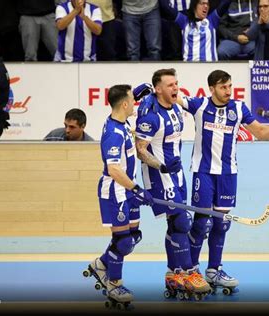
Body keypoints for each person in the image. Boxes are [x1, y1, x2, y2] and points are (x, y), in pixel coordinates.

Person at [176, 69, 269, 292]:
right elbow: (171, 96)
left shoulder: (239, 108)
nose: (228, 91)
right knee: (201, 223)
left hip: (228, 174)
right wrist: (153, 87)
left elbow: (260, 132)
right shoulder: (199, 105)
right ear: (211, 88)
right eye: (223, 87)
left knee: (222, 223)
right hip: (203, 172)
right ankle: (191, 271)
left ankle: (214, 270)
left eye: (230, 86)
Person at [134, 69, 211, 299]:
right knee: (182, 221)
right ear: (158, 89)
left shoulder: (177, 108)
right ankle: (189, 273)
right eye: (170, 85)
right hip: (159, 175)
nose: (175, 88)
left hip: (177, 174)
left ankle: (173, 273)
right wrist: (160, 166)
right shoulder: (150, 115)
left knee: (175, 225)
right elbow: (140, 150)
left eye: (176, 83)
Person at [84, 84, 154, 307]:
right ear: (124, 104)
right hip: (116, 191)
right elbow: (114, 170)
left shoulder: (121, 120)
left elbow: (128, 96)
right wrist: (137, 189)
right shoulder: (114, 133)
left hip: (127, 190)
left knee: (134, 236)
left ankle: (101, 264)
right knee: (123, 242)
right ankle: (114, 284)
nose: (135, 102)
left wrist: (146, 88)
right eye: (132, 100)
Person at [158, 0, 231, 61]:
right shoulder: (184, 21)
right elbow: (166, 7)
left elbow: (225, 3)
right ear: (194, 6)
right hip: (189, 66)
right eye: (202, 3)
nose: (206, 6)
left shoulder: (212, 20)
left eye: (207, 4)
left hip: (209, 65)